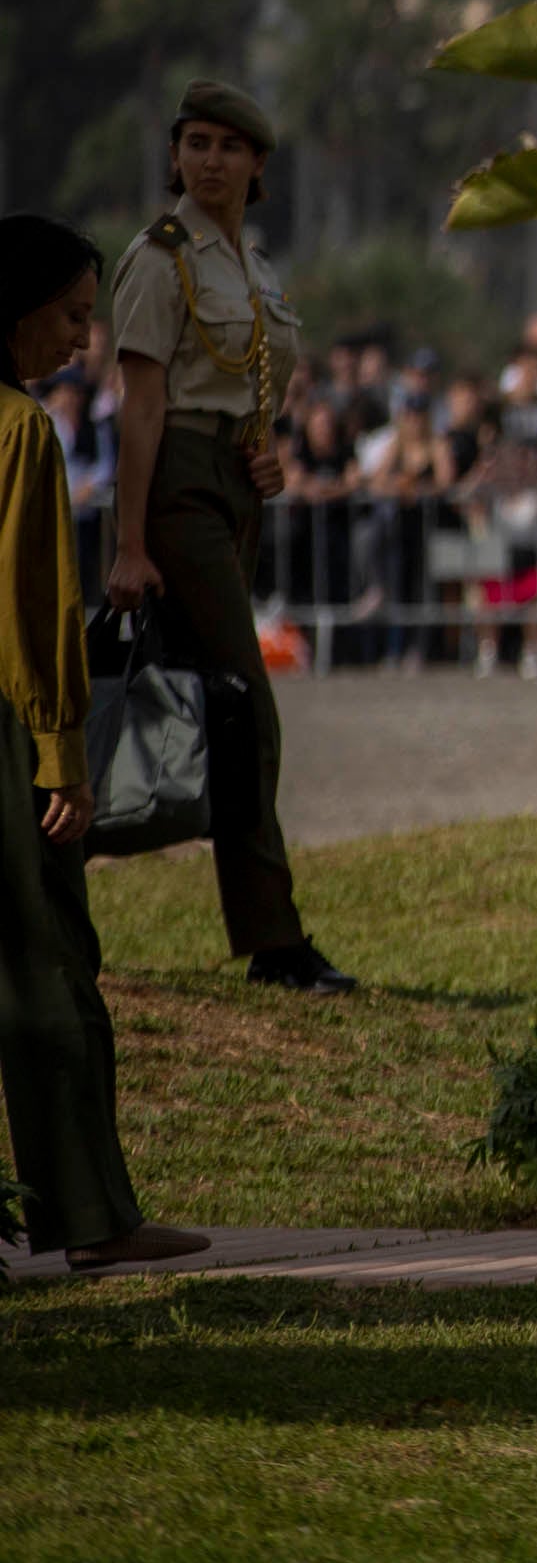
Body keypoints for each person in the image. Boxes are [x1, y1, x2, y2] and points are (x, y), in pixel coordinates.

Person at [104, 81, 354, 995]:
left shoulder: (252, 265)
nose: (208, 159)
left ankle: (55, 897)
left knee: (172, 708)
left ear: (258, 165)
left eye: (227, 146)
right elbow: (140, 406)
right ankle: (274, 941)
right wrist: (131, 544)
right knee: (246, 708)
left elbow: (254, 381)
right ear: (174, 155)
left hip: (230, 487)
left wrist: (266, 448)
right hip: (171, 487)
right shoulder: (158, 259)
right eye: (194, 142)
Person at [0, 214, 210, 1268]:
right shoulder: (21, 433)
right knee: (51, 977)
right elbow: (36, 617)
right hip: (9, 736)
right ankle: (90, 1217)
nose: (84, 340)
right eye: (75, 314)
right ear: (17, 309)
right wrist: (63, 764)